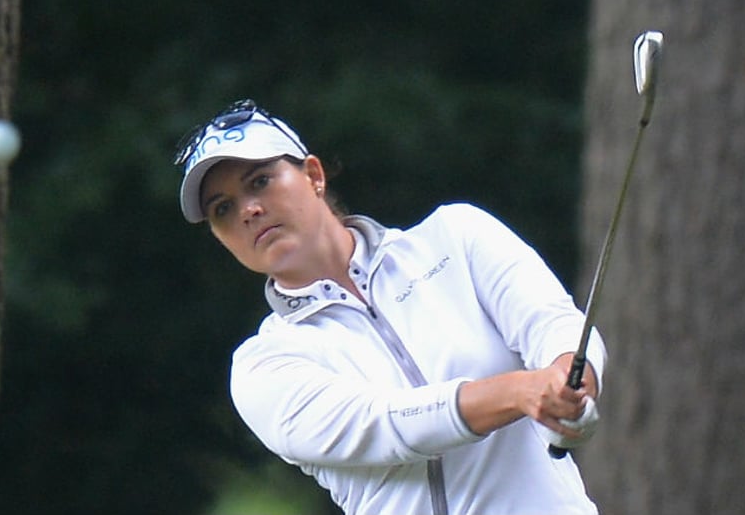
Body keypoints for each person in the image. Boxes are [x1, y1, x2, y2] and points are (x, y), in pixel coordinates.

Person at [174, 99, 606, 515]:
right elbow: (386, 425)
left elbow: (553, 325)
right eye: (223, 209)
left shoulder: (456, 237)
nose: (248, 210)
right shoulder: (263, 365)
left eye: (260, 181)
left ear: (314, 176)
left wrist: (570, 382)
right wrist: (519, 392)